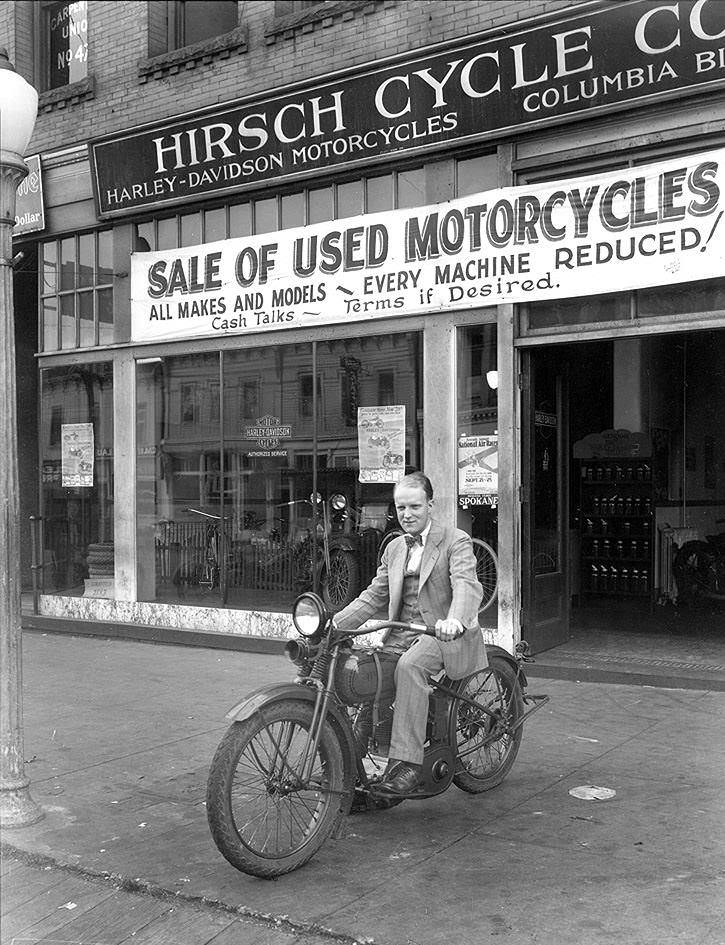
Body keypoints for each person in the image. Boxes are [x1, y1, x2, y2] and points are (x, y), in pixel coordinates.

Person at [333, 471, 487, 796]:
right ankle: (350, 760)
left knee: (410, 667)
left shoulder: (454, 540)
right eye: (401, 507)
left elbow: (467, 585)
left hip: (442, 634)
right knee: (366, 674)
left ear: (431, 505)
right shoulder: (394, 548)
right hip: (401, 635)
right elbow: (374, 595)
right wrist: (334, 624)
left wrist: (455, 620)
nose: (407, 514)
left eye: (415, 506)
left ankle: (408, 765)